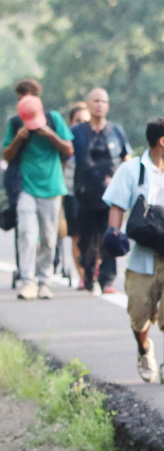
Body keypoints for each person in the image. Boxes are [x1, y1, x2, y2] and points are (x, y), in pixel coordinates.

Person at [102, 118, 164, 384]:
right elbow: (117, 206)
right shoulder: (132, 170)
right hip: (142, 255)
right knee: (138, 314)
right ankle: (144, 349)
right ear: (163, 141)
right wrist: (113, 236)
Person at [1, 79, 74, 301]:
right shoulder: (15, 123)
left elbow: (69, 149)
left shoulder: (53, 119)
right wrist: (18, 138)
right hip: (25, 186)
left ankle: (44, 281)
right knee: (26, 233)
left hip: (52, 186)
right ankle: (28, 281)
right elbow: (6, 155)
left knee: (49, 237)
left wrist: (49, 135)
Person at [72, 87, 132, 294]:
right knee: (86, 240)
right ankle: (88, 275)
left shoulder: (116, 131)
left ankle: (107, 280)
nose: (99, 105)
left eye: (103, 101)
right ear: (88, 105)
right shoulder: (77, 132)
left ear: (108, 106)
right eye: (95, 101)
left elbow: (127, 158)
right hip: (84, 195)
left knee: (110, 236)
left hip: (111, 196)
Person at [63, 102, 90, 288]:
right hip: (72, 193)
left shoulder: (97, 139)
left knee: (95, 235)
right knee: (77, 237)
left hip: (94, 194)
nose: (81, 124)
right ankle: (83, 275)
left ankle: (94, 270)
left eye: (85, 121)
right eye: (77, 121)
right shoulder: (64, 143)